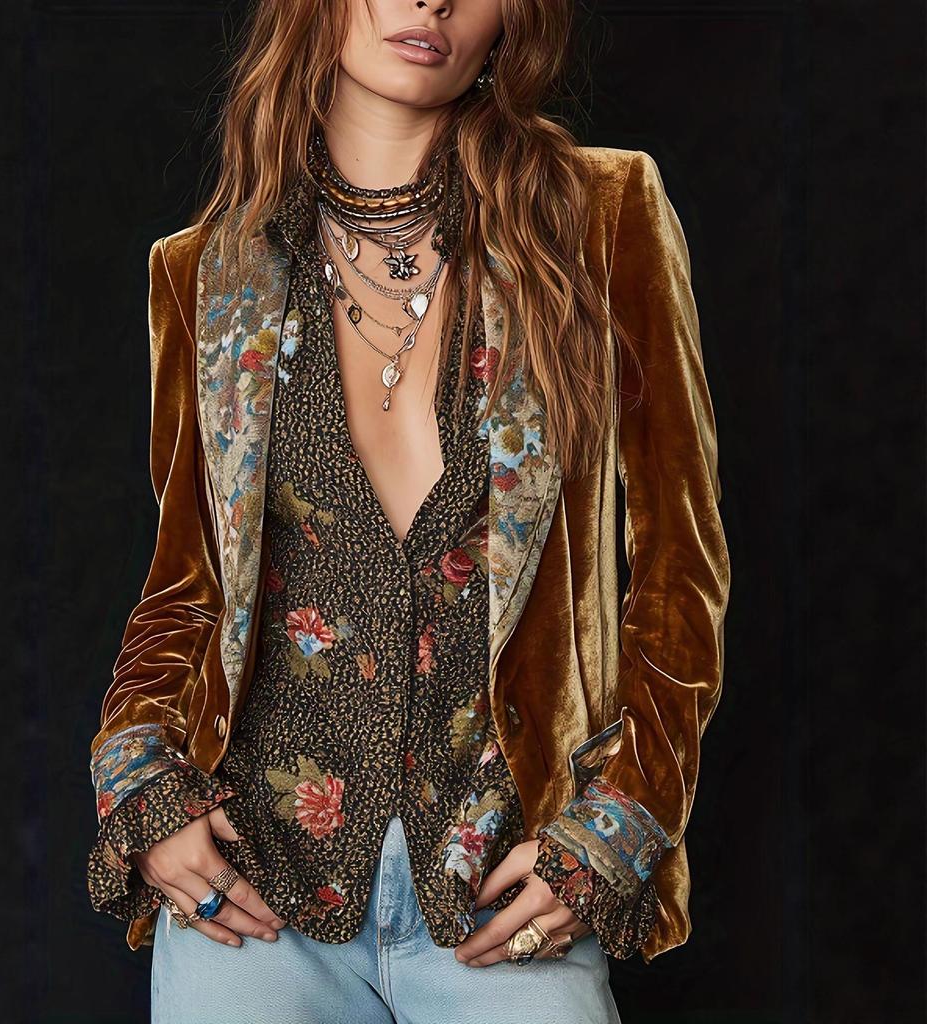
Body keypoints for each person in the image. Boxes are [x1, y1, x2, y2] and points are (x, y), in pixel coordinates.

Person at [85, 1, 731, 1021]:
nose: (432, 2)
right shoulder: (206, 272)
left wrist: (615, 828)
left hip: (505, 892)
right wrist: (140, 790)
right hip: (257, 894)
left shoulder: (601, 218)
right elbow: (182, 593)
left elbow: (679, 574)